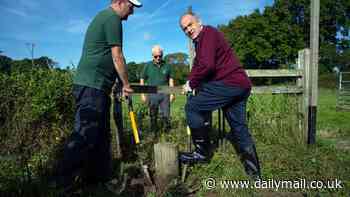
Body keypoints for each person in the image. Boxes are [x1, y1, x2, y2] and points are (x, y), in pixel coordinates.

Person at [54, 0, 142, 190]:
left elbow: (112, 56)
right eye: (131, 7)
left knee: (101, 136)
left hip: (98, 87)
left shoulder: (107, 17)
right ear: (120, 2)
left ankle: (98, 179)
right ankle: (64, 183)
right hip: (91, 87)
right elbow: (116, 55)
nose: (131, 13)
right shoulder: (112, 18)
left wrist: (117, 80)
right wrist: (126, 84)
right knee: (85, 134)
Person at [179, 13, 261, 180]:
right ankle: (255, 175)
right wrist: (190, 81)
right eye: (184, 28)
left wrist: (191, 84)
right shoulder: (199, 42)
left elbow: (207, 66)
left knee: (192, 107)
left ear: (199, 22)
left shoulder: (208, 33)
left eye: (190, 24)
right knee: (239, 128)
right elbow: (198, 65)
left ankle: (201, 153)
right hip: (240, 85)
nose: (188, 29)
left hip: (229, 84)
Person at [140, 45, 175, 133]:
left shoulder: (167, 66)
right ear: (152, 56)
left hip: (165, 93)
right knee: (153, 115)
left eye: (160, 56)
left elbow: (171, 80)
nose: (158, 58)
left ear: (162, 55)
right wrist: (142, 94)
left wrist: (172, 94)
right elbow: (142, 79)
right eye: (156, 56)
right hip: (152, 93)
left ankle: (167, 134)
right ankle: (154, 134)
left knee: (166, 115)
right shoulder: (147, 65)